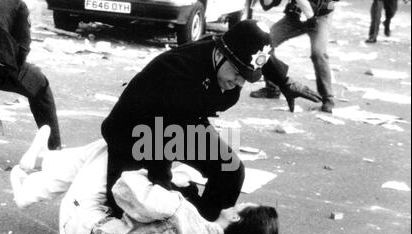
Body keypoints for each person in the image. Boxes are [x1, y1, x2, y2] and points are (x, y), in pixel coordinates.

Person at [101, 20, 321, 221]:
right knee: (134, 206)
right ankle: (185, 209)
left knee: (231, 171)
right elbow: (161, 135)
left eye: (246, 77)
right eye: (237, 73)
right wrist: (163, 187)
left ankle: (209, 229)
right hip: (134, 132)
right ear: (220, 54)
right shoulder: (178, 72)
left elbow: (257, 55)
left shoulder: (234, 57)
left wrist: (285, 81)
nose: (239, 82)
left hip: (184, 119)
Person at [9, 126, 279, 234]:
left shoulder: (180, 211)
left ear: (235, 218)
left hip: (82, 223)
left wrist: (166, 174)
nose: (236, 204)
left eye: (242, 206)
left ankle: (33, 183)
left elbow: (124, 186)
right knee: (98, 157)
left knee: (113, 142)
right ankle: (39, 163)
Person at [0, 0, 61, 150]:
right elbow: (23, 45)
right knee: (40, 85)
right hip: (0, 65)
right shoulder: (17, 4)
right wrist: (16, 68)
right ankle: (54, 147)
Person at [250, 0, 338, 114]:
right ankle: (272, 88)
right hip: (295, 15)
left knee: (319, 53)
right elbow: (268, 4)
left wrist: (310, 16)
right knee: (266, 42)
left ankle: (328, 98)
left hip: (320, 16)